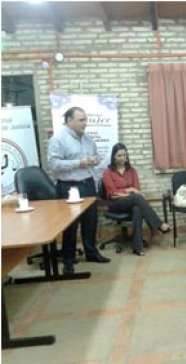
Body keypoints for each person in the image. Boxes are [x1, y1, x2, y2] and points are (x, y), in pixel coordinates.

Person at [47, 106, 110, 275]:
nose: (85, 123)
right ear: (69, 121)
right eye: (81, 120)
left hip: (88, 184)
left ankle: (91, 253)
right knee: (70, 225)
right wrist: (78, 163)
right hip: (69, 187)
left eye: (85, 120)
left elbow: (97, 157)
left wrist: (94, 160)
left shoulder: (88, 139)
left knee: (90, 222)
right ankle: (68, 260)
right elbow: (54, 164)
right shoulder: (58, 139)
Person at [102, 143, 171, 256]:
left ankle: (137, 247)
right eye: (119, 155)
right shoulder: (108, 172)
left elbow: (137, 189)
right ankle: (158, 224)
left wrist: (126, 193)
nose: (122, 158)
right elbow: (112, 193)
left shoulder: (131, 171)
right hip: (115, 204)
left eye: (124, 155)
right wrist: (128, 191)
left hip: (131, 201)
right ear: (113, 156)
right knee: (137, 199)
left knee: (137, 208)